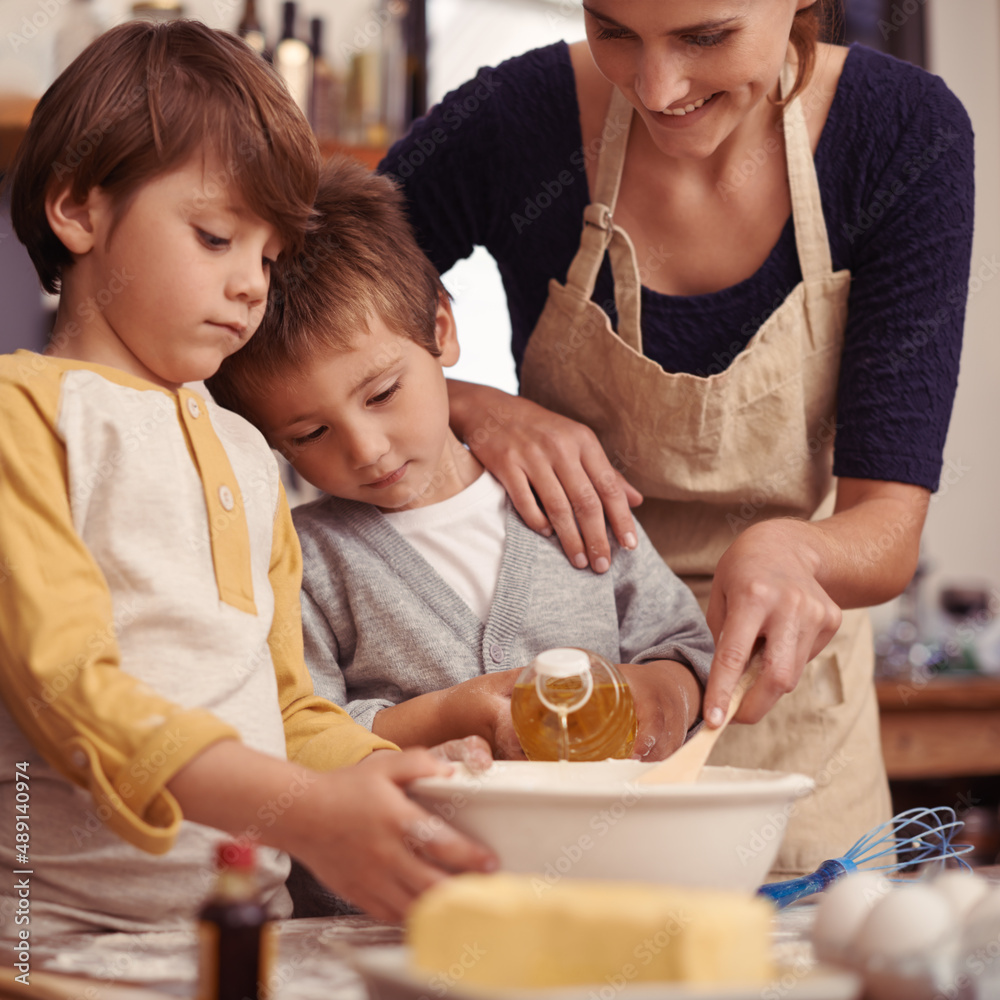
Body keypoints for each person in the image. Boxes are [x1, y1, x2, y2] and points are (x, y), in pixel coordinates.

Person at [378, 0, 975, 873]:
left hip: (791, 730)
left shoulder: (902, 134)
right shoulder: (517, 121)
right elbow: (294, 311)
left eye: (706, 37)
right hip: (571, 719)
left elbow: (887, 525)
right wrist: (469, 405)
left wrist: (798, 556)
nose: (657, 89)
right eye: (612, 29)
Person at [0, 19, 497, 942]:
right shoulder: (19, 418)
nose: (250, 287)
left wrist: (398, 777)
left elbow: (286, 708)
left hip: (243, 929)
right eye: (216, 236)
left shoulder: (246, 452)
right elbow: (67, 685)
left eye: (267, 258)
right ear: (78, 210)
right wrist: (307, 811)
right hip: (53, 941)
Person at [206, 154, 714, 915]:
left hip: (600, 905)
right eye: (309, 433)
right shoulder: (303, 559)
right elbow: (297, 739)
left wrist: (656, 695)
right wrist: (451, 713)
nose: (367, 449)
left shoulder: (563, 498)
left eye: (382, 393)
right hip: (387, 924)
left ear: (442, 331)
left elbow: (683, 647)